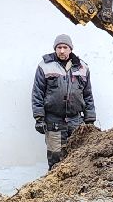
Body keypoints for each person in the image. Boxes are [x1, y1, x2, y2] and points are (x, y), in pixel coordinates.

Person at [31, 34, 96, 170]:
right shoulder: (45, 66)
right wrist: (39, 118)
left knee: (78, 157)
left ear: (70, 49)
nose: (61, 50)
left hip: (76, 122)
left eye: (65, 47)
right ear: (55, 49)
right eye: (59, 47)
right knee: (56, 158)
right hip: (54, 121)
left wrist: (90, 119)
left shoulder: (82, 67)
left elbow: (88, 95)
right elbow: (37, 94)